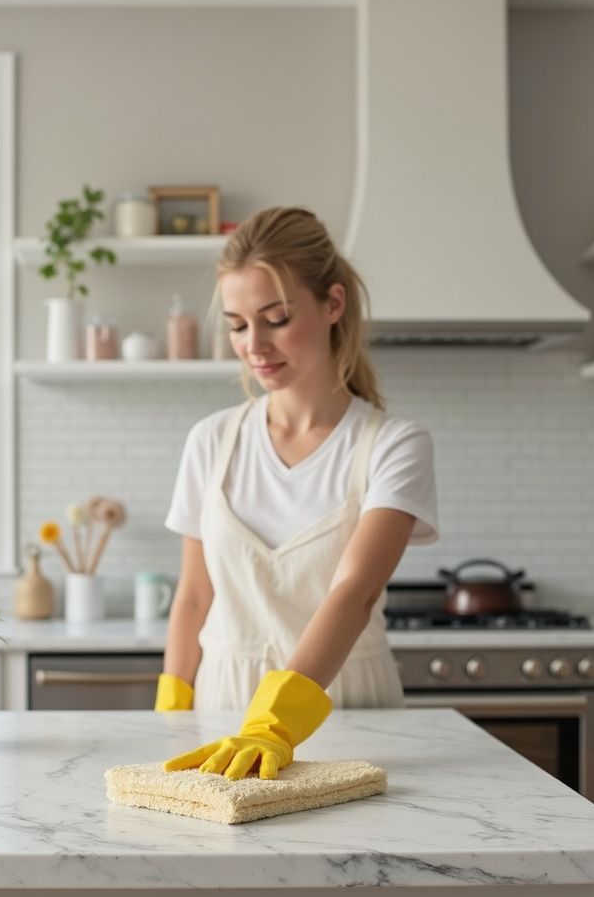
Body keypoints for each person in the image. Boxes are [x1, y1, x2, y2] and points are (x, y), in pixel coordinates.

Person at [155, 206, 438, 781]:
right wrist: (171, 712)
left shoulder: (393, 445)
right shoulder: (212, 440)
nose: (254, 344)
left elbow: (355, 593)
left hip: (348, 707)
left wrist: (275, 724)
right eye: (237, 325)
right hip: (221, 705)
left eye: (276, 318)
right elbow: (192, 597)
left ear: (333, 305)